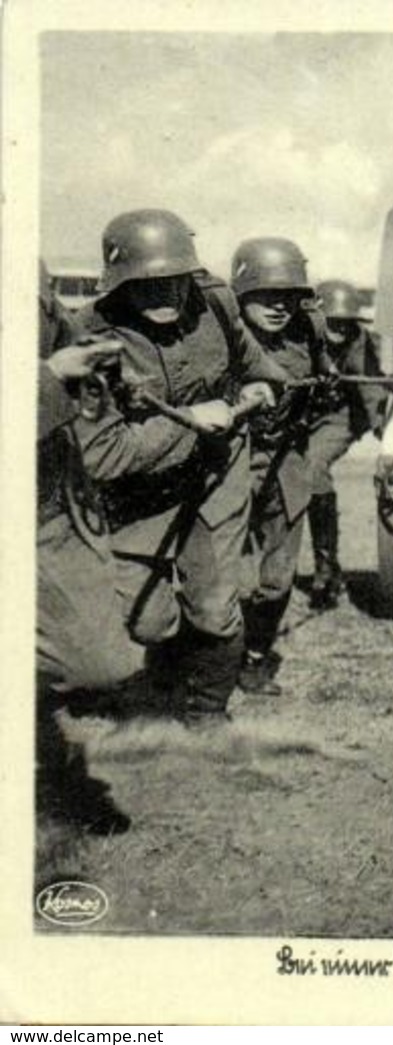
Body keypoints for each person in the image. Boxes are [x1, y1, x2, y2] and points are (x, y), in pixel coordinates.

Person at [74, 209, 289, 725]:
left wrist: (262, 389)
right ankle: (166, 677)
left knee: (214, 605)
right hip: (137, 490)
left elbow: (260, 368)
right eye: (146, 286)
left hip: (216, 473)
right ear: (119, 284)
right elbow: (104, 453)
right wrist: (191, 419)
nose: (165, 296)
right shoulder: (91, 339)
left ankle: (207, 713)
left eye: (173, 282)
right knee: (147, 622)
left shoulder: (215, 303)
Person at [37, 261, 162, 834]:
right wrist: (49, 374)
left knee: (100, 664)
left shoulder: (28, 271)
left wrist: (91, 364)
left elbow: (59, 333)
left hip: (50, 502)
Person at [232, 237, 333, 695]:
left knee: (277, 580)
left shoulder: (308, 330)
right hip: (231, 461)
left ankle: (255, 656)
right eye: (266, 296)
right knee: (231, 581)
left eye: (288, 296)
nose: (279, 307)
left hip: (286, 459)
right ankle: (209, 662)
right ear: (241, 294)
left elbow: (324, 378)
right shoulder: (222, 335)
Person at [304, 279, 389, 611]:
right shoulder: (297, 336)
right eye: (332, 321)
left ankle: (326, 568)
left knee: (312, 467)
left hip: (338, 416)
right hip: (296, 416)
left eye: (346, 322)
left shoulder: (358, 341)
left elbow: (370, 389)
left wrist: (387, 432)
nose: (340, 328)